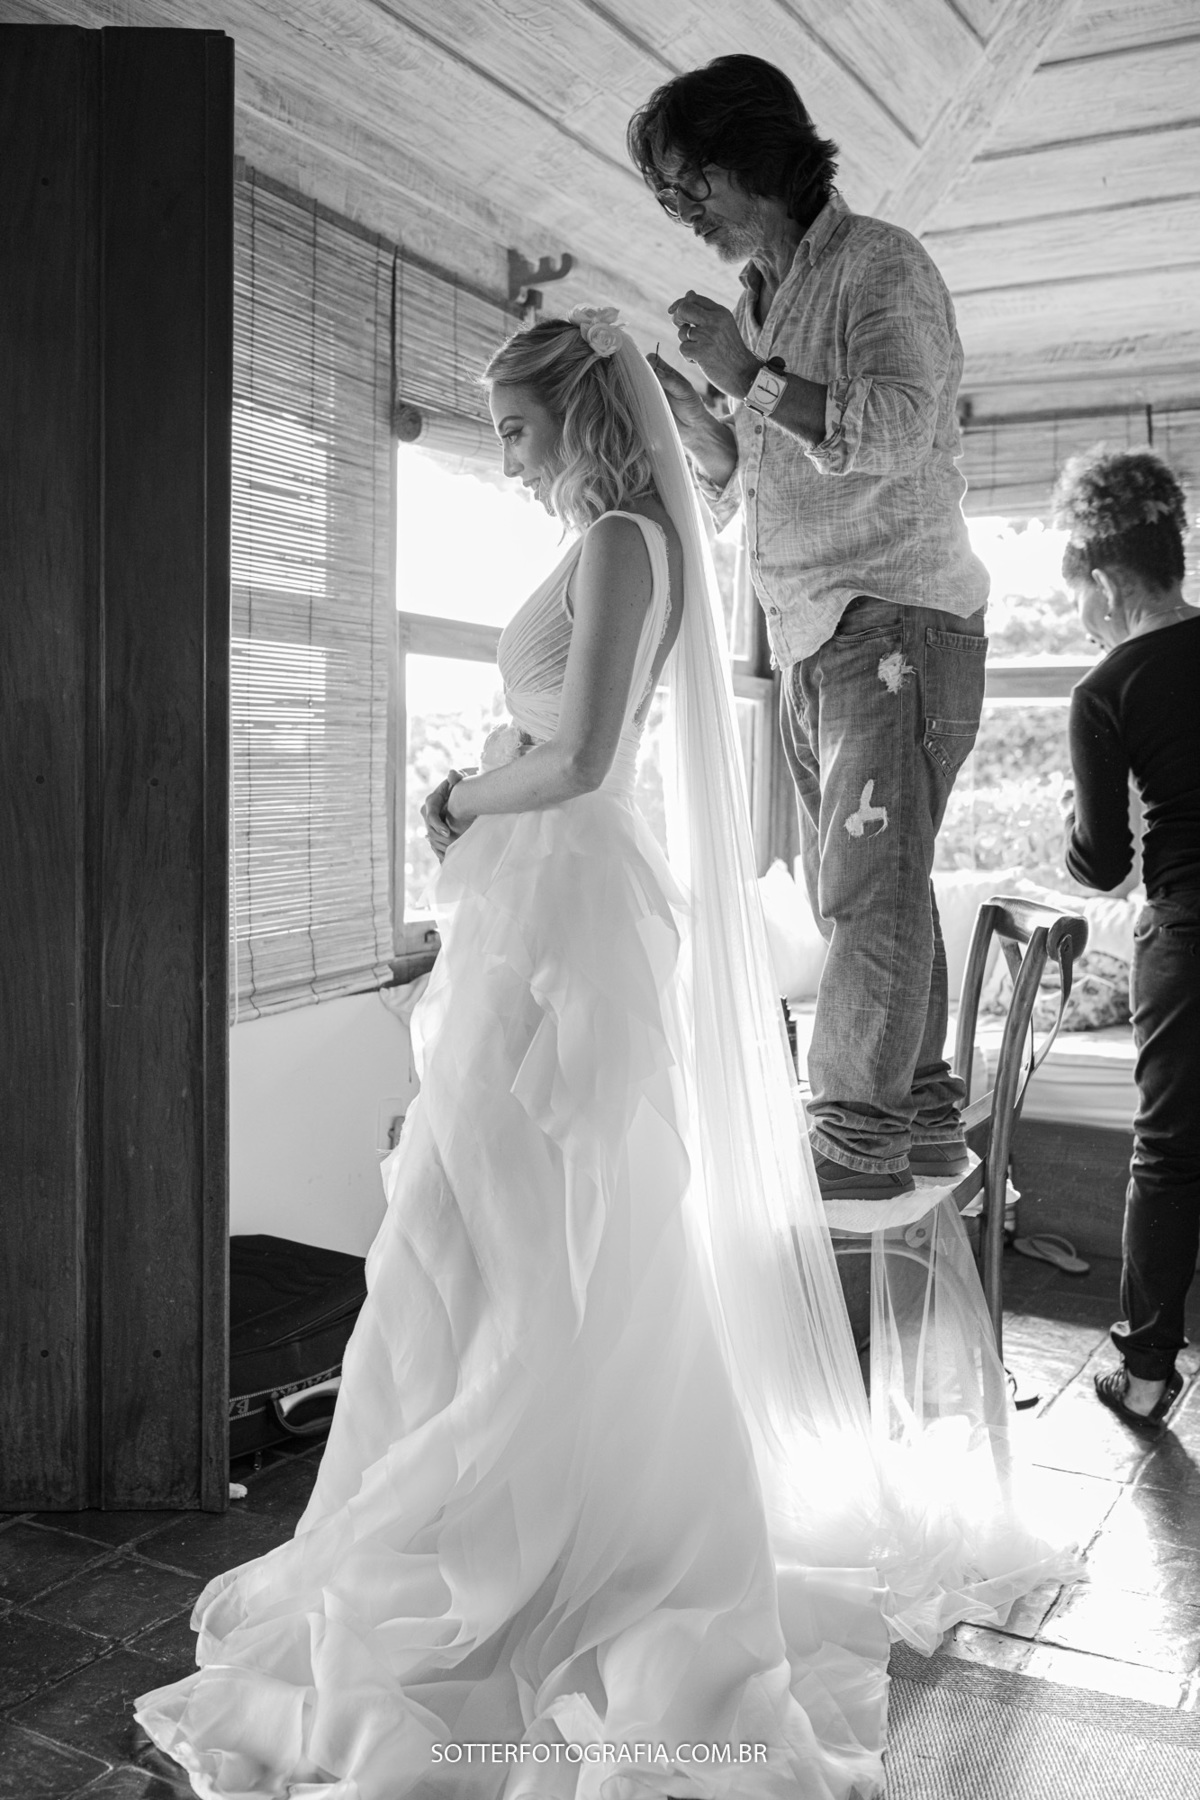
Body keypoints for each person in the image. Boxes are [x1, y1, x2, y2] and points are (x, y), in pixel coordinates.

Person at [135, 311, 1068, 1800]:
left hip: (563, 899)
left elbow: (575, 757)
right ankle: (481, 1517)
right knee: (481, 1231)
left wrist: (457, 794)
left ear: (582, 417)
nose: (504, 459)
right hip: (536, 899)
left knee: (550, 1230)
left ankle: (551, 1539)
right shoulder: (610, 539)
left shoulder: (631, 538)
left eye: (514, 429)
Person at [627, 55, 990, 1201]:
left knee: (865, 887)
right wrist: (706, 421)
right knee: (885, 877)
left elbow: (886, 430)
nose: (684, 214)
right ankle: (919, 1121)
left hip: (897, 615)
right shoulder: (757, 302)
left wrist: (750, 373)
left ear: (757, 154)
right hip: (810, 628)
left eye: (691, 186)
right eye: (669, 199)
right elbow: (753, 482)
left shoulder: (882, 266)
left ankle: (849, 1142)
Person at [1054, 447, 1200, 1432]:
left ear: (1107, 581)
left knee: (1171, 1151)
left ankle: (1147, 1373)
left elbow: (1102, 865)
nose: (1082, 617)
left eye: (1080, 597)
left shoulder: (1107, 688)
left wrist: (1077, 814)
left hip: (1190, 929)